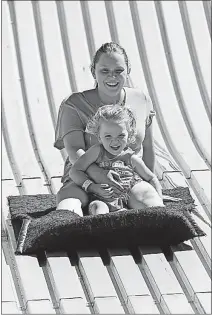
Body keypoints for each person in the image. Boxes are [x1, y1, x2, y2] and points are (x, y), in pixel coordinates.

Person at [54, 42, 159, 217]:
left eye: (118, 70)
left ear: (128, 69)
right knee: (68, 207)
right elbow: (74, 150)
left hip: (128, 177)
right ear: (93, 71)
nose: (112, 77)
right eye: (104, 71)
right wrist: (100, 176)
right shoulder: (73, 104)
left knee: (154, 208)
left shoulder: (141, 99)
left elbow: (148, 147)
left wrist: (152, 185)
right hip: (83, 176)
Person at [69, 105, 164, 215]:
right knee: (98, 208)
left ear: (129, 135)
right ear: (99, 137)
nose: (115, 142)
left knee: (149, 201)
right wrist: (91, 186)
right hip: (103, 196)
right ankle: (115, 221)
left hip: (130, 190)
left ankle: (161, 214)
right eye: (108, 136)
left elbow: (151, 177)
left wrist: (159, 198)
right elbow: (75, 171)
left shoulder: (130, 157)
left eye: (121, 135)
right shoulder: (96, 151)